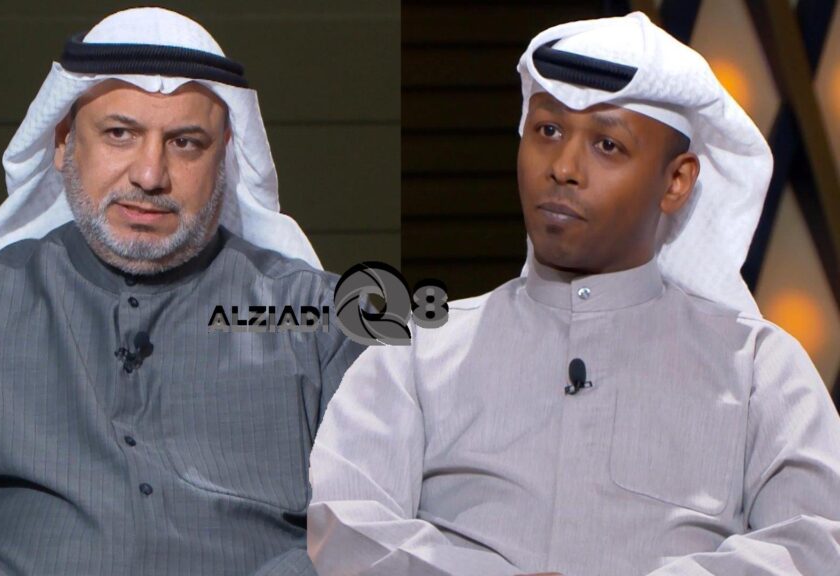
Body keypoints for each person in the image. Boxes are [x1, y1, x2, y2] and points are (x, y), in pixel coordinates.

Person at [0, 7, 365, 575]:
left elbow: (375, 521)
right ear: (62, 141)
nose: (149, 175)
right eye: (120, 134)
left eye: (185, 142)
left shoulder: (322, 323)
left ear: (224, 155)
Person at [307, 12, 840, 576]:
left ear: (676, 181)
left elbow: (813, 545)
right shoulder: (416, 351)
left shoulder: (758, 369)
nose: (563, 168)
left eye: (607, 144)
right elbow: (347, 528)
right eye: (548, 131)